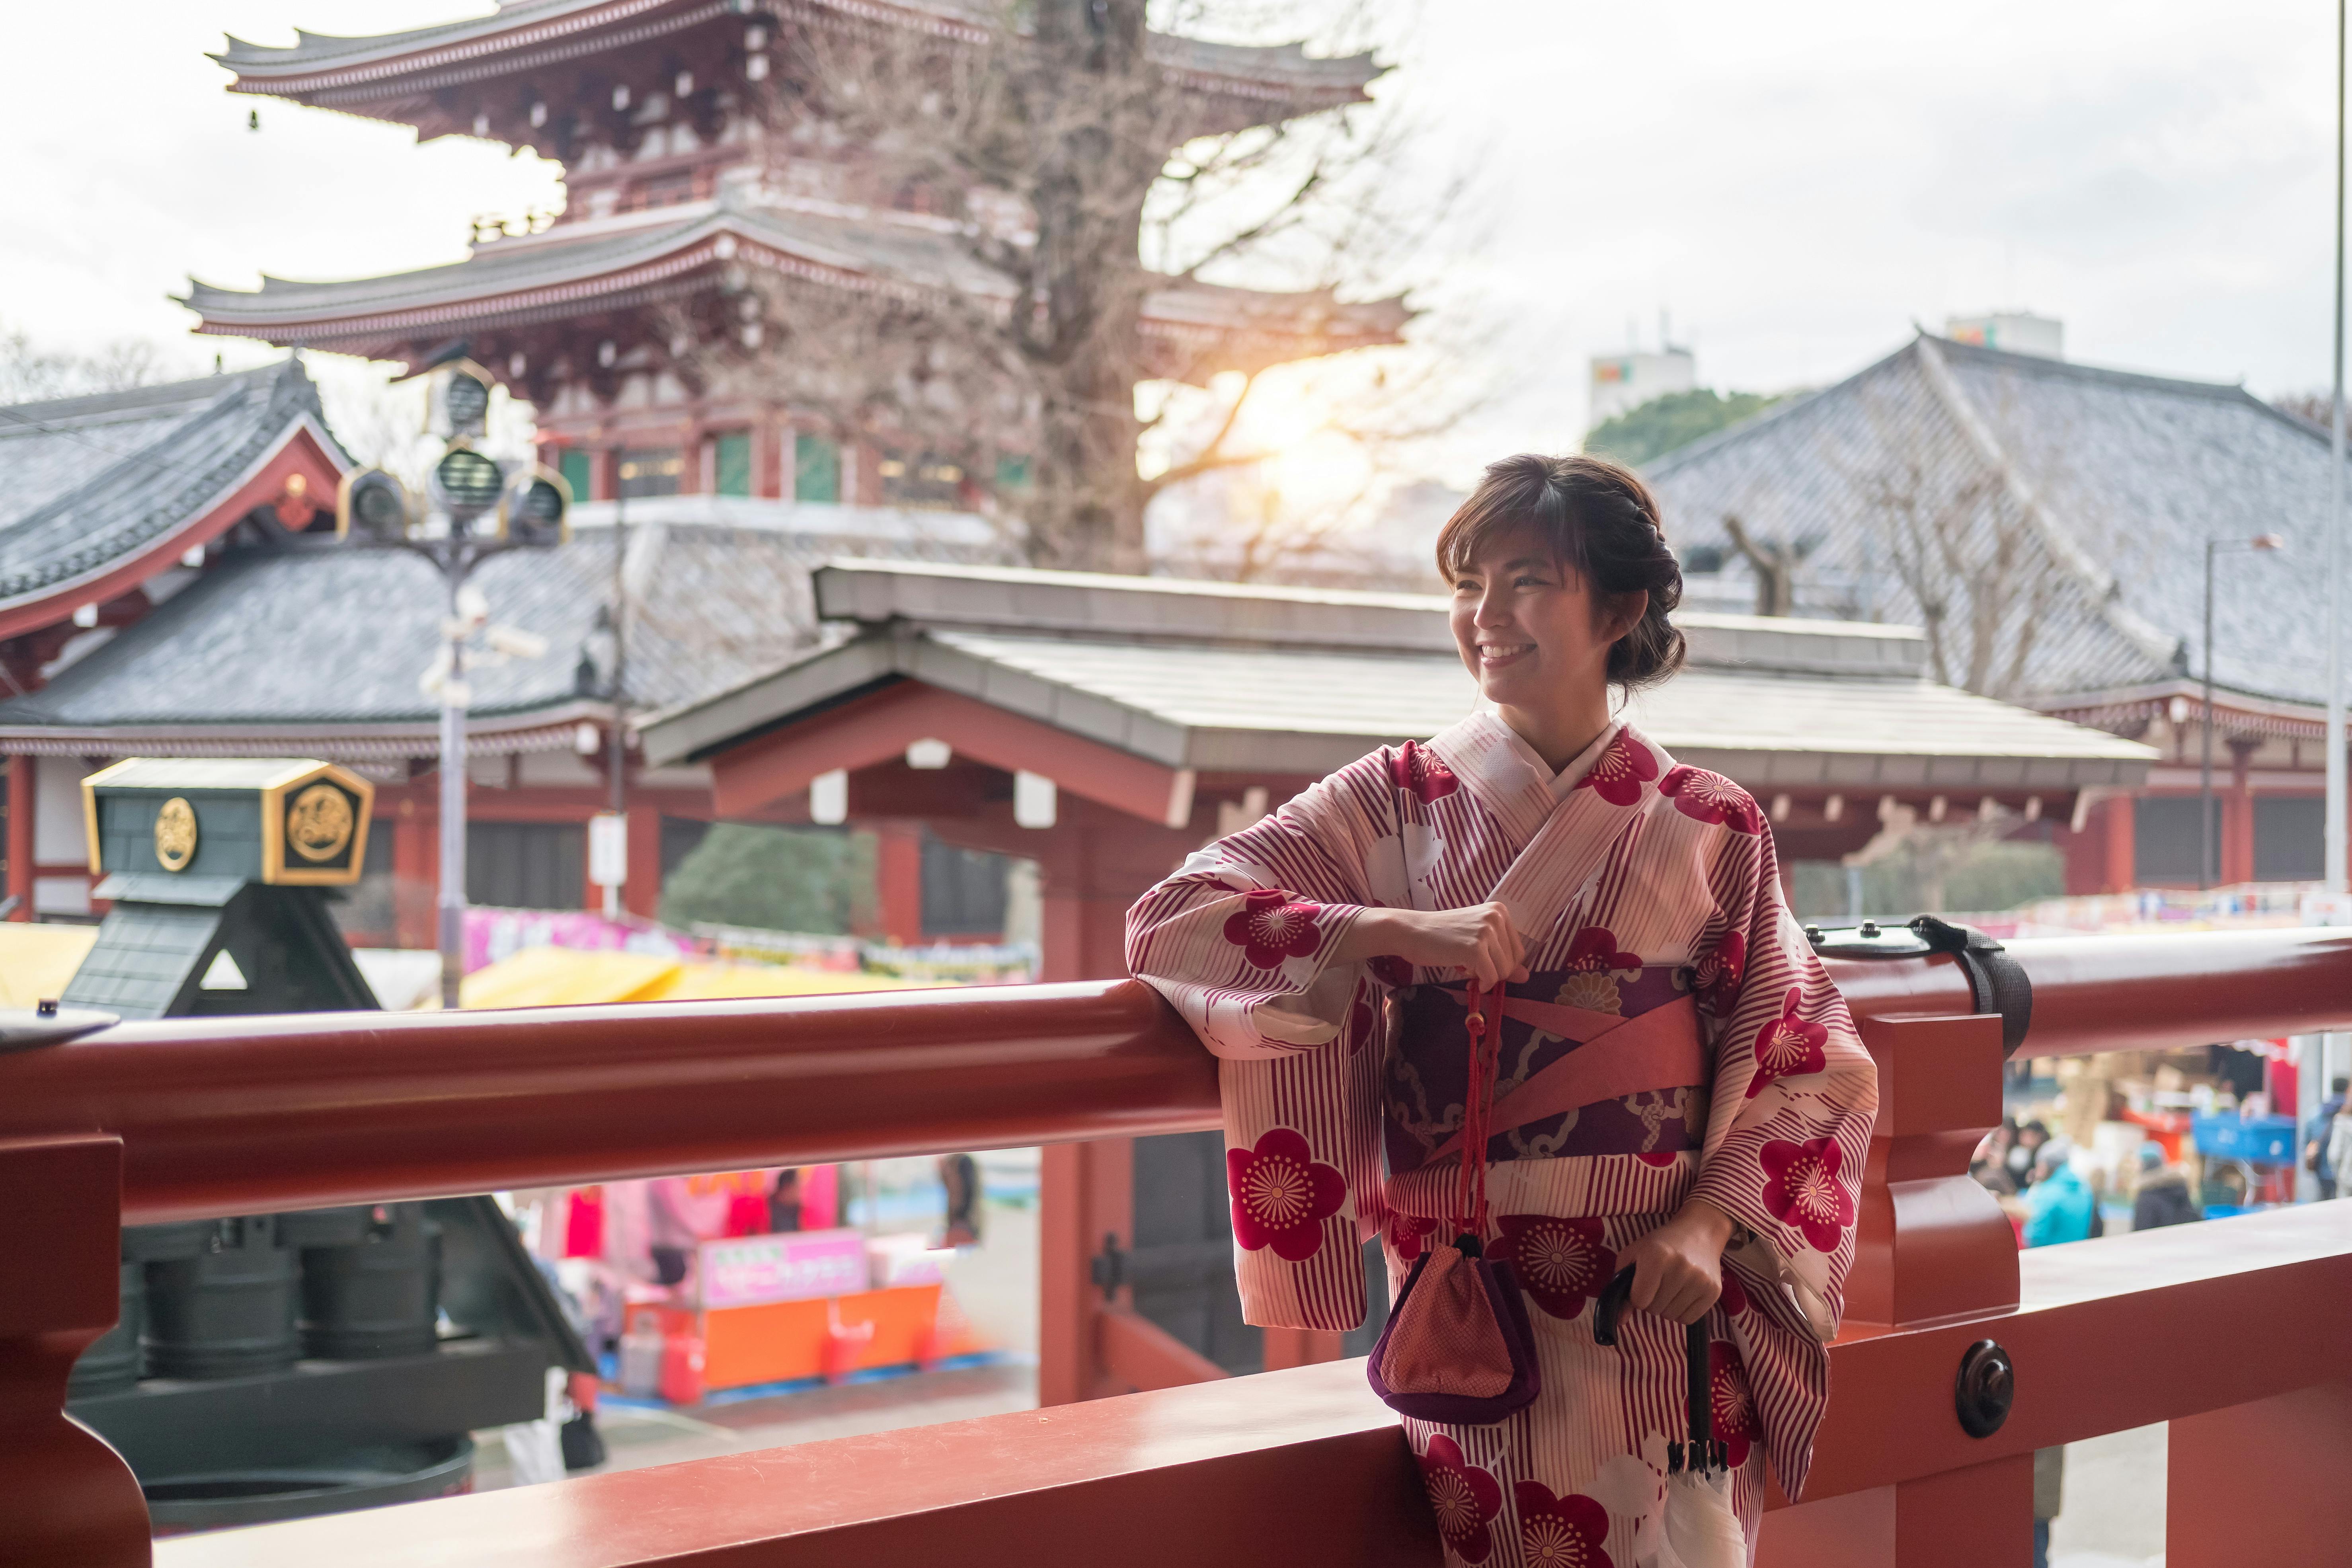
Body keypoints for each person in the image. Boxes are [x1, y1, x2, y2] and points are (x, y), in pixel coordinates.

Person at [1125, 454, 1878, 1566]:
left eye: (1524, 582)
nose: (1484, 617)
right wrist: (1383, 932)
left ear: (1616, 608)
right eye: (1466, 585)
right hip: (1471, 1293)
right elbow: (1171, 917)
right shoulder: (1387, 802)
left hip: (1651, 1285)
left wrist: (1710, 1221)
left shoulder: (1707, 822)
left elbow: (1803, 1046)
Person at [2021, 1139, 2095, 1247]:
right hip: (2076, 1254)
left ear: (2046, 1165)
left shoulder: (2047, 1193)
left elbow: (2034, 1236)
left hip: (2049, 1257)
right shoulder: (2084, 1189)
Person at [2129, 1143, 2199, 1231]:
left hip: (2157, 1243)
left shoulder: (2146, 1195)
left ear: (2144, 1164)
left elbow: (2141, 1231)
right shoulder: (2179, 1187)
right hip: (2181, 1241)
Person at [2308, 1076, 2349, 1200]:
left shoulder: (2317, 1111)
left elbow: (2307, 1137)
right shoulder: (2347, 1112)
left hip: (2322, 1169)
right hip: (2343, 1172)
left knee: (2324, 1204)